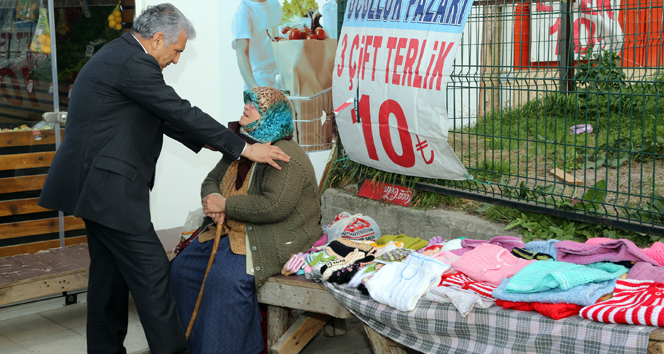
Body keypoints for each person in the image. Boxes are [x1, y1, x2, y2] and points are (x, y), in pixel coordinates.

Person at [38, 4, 289, 354]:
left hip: (93, 188)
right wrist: (244, 150)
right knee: (155, 276)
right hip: (109, 191)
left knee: (107, 285)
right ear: (158, 40)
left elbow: (161, 116)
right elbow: (175, 109)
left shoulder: (119, 54)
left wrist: (219, 140)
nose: (175, 60)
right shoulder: (134, 62)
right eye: (176, 51)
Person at [170, 86, 322, 354]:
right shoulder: (243, 146)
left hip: (272, 235)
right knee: (182, 269)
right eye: (247, 102)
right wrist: (213, 199)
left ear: (271, 116)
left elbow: (273, 207)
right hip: (233, 230)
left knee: (225, 278)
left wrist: (226, 204)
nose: (246, 106)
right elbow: (211, 180)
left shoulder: (285, 153)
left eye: (254, 105)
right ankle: (192, 347)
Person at [232, 0, 283, 89]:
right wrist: (253, 87)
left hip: (279, 83)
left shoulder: (275, 4)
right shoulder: (243, 12)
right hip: (259, 84)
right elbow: (241, 54)